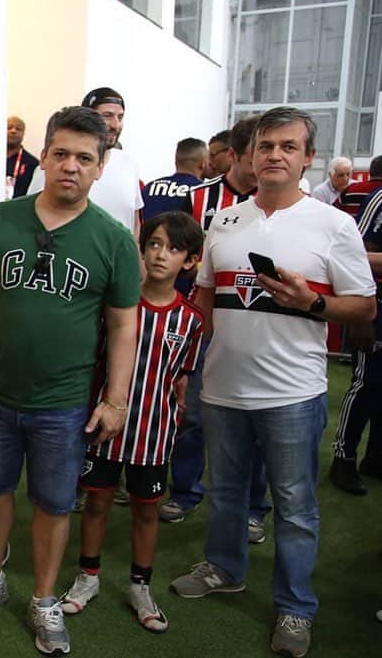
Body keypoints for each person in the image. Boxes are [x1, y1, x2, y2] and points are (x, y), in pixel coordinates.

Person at [169, 107, 376, 658]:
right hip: (223, 388)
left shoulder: (333, 224)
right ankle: (224, 567)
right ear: (248, 154)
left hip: (292, 393)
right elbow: (207, 300)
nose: (275, 155)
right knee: (225, 491)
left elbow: (364, 306)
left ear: (308, 157)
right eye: (266, 146)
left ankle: (294, 606)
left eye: (288, 146)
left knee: (295, 504)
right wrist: (186, 364)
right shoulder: (225, 220)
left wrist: (314, 302)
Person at [0, 106, 140, 656]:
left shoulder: (113, 239)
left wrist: (117, 399)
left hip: (66, 400)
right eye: (60, 154)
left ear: (101, 167)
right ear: (43, 157)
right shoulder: (2, 219)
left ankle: (46, 597)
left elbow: (125, 324)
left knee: (54, 503)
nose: (70, 167)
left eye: (84, 158)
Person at [60, 211, 204, 633]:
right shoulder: (117, 305)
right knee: (97, 502)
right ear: (142, 249)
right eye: (155, 244)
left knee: (146, 510)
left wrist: (174, 415)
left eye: (174, 249)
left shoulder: (191, 320)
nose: (161, 255)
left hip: (154, 434)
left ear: (190, 261)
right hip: (105, 429)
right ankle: (88, 577)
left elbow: (180, 378)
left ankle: (140, 585)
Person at [160, 115, 273, 543]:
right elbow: (171, 254)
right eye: (256, 154)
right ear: (234, 155)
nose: (266, 163)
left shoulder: (276, 206)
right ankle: (185, 491)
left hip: (257, 327)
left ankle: (253, 507)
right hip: (199, 324)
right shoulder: (198, 198)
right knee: (191, 414)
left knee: (258, 419)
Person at [330, 183, 382, 494]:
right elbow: (353, 253)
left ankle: (376, 457)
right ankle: (344, 458)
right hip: (377, 305)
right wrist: (362, 316)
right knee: (368, 382)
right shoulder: (378, 198)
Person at [82, 87, 144, 239]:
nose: (115, 125)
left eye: (120, 117)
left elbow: (135, 224)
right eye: (107, 116)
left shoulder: (129, 164)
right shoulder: (62, 165)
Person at [141, 138, 207, 222]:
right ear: (203, 164)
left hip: (148, 234)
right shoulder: (202, 191)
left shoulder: (149, 187)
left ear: (176, 162)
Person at [334, 154, 382, 221]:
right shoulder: (379, 192)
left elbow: (333, 212)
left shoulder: (350, 190)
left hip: (348, 229)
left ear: (370, 171)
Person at [6, 115, 40, 198]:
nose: (13, 131)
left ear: (23, 133)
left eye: (18, 129)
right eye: (9, 127)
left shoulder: (33, 164)